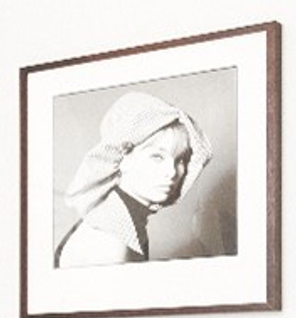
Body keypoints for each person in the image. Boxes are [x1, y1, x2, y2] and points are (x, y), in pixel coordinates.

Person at [55, 90, 210, 268]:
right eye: (157, 157)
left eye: (180, 159)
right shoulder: (111, 237)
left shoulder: (122, 220)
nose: (172, 172)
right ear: (123, 158)